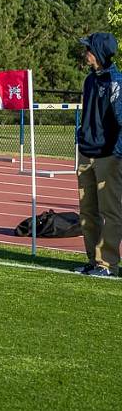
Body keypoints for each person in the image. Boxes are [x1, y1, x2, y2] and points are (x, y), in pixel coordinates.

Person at [73, 32, 122, 278]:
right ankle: (93, 260)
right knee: (87, 210)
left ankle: (108, 264)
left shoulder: (116, 82)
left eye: (89, 49)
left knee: (110, 212)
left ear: (100, 52)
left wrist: (117, 153)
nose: (86, 54)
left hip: (108, 156)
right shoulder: (89, 80)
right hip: (86, 153)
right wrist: (81, 141)